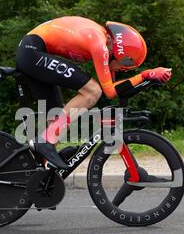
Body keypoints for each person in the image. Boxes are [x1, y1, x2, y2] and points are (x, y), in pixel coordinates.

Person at [16, 16, 172, 169]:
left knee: (58, 115)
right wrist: (145, 75)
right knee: (92, 91)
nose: (122, 69)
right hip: (32, 51)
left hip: (34, 52)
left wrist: (148, 79)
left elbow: (116, 89)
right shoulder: (100, 46)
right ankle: (44, 141)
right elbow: (109, 92)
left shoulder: (103, 41)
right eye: (124, 65)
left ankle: (40, 165)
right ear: (117, 52)